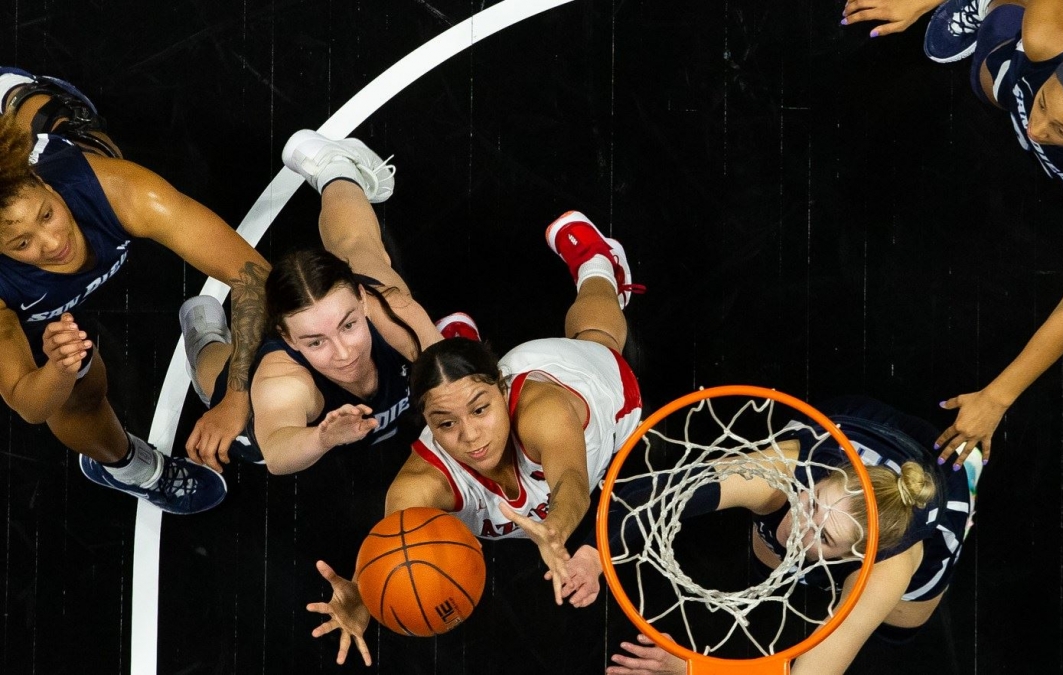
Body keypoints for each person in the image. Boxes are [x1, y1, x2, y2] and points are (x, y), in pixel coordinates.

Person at [840, 1, 1063, 467]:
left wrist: (996, 398)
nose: (1037, 127)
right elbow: (1041, 109)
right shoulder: (1049, 34)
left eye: (1062, 129)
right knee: (995, 69)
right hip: (1042, 61)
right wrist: (919, 3)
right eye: (1045, 102)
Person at [305, 209, 645, 666]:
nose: (470, 437)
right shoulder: (419, 487)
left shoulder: (544, 413)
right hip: (478, 384)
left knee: (599, 334)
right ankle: (458, 348)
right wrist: (367, 594)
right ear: (426, 423)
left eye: (481, 410)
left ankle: (598, 264)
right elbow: (398, 555)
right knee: (455, 385)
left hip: (584, 386)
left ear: (501, 391)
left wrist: (557, 528)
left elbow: (571, 481)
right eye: (445, 423)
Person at [0, 66, 271, 513]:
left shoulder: (120, 189)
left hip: (62, 154)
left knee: (60, 116)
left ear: (44, 180)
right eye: (22, 243)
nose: (52, 243)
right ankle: (133, 470)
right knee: (76, 388)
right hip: (36, 316)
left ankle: (21, 98)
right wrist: (57, 370)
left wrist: (237, 395)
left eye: (47, 215)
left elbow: (255, 276)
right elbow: (27, 403)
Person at [585, 395, 979, 675]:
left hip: (938, 479)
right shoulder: (778, 475)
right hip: (856, 420)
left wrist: (693, 669)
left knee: (896, 624)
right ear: (820, 479)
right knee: (772, 554)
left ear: (858, 555)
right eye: (812, 503)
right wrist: (593, 551)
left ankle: (970, 470)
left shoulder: (888, 567)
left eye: (824, 537)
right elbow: (662, 496)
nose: (800, 526)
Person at [179, 129, 454, 475]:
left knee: (359, 249)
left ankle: (335, 167)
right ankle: (203, 337)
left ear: (361, 300)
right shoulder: (282, 379)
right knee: (223, 388)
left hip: (374, 308)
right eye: (316, 341)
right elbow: (278, 452)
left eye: (348, 325)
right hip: (272, 412)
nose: (344, 353)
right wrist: (322, 437)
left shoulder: (392, 309)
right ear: (289, 338)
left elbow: (452, 377)